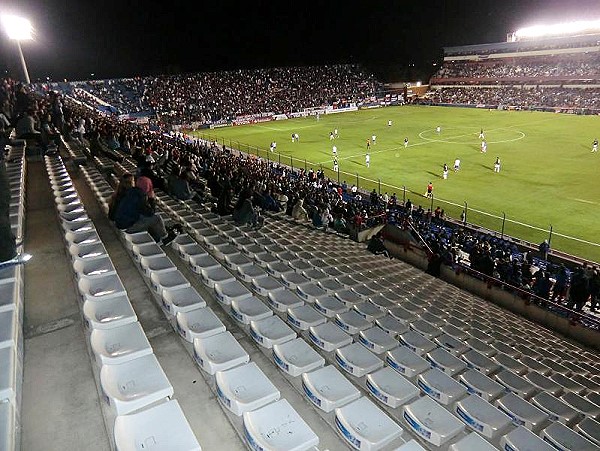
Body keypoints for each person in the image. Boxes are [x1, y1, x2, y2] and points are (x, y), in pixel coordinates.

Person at [111, 172, 177, 245]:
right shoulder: (138, 195)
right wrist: (151, 199)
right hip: (127, 227)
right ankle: (165, 237)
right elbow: (151, 213)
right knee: (157, 218)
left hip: (120, 223)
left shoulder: (128, 192)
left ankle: (158, 235)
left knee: (144, 217)